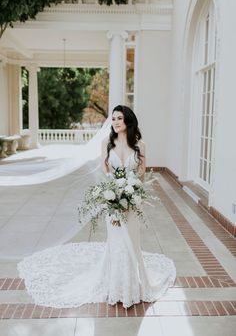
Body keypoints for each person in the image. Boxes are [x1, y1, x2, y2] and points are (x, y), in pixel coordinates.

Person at [18, 105, 176, 309]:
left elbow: (142, 174)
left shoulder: (140, 145)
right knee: (117, 242)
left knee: (132, 243)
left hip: (131, 201)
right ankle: (114, 285)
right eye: (114, 119)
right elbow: (105, 170)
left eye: (120, 118)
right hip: (113, 201)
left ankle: (131, 287)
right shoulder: (106, 143)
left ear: (128, 120)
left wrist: (131, 191)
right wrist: (112, 192)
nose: (116, 122)